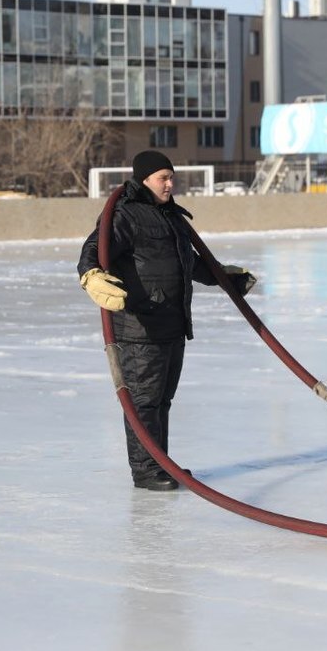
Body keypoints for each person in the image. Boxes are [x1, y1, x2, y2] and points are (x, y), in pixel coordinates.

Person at [78, 151, 257, 491]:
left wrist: (225, 278)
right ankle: (146, 471)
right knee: (143, 402)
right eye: (163, 177)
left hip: (172, 325)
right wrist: (90, 275)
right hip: (141, 328)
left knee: (162, 401)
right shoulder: (124, 215)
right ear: (144, 179)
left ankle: (162, 464)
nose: (170, 183)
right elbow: (92, 249)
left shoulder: (169, 216)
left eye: (171, 177)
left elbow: (188, 263)